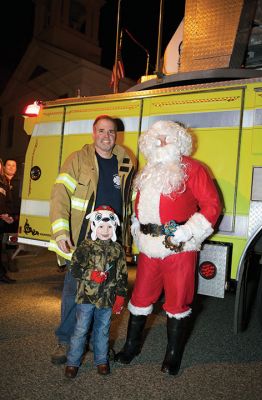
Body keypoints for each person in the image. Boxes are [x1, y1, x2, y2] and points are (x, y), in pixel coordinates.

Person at [115, 120, 222, 375]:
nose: (161, 142)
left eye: (167, 138)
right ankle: (131, 346)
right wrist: (136, 226)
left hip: (179, 247)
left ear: (179, 140)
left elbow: (212, 206)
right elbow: (140, 205)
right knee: (140, 298)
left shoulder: (193, 169)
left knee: (177, 302)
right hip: (149, 248)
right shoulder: (149, 170)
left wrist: (189, 231)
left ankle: (173, 355)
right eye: (157, 138)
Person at [49, 114, 135, 364]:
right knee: (72, 292)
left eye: (111, 132)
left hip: (111, 244)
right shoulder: (78, 159)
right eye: (102, 131)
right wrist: (61, 232)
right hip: (83, 242)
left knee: (105, 295)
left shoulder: (126, 161)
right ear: (93, 132)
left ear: (116, 135)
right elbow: (60, 194)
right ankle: (65, 342)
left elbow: (130, 200)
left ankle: (98, 343)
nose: (106, 136)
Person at [64, 205, 127, 378]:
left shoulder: (118, 249)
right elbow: (75, 269)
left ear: (114, 227)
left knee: (103, 330)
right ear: (94, 226)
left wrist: (121, 296)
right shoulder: (85, 246)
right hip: (86, 297)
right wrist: (91, 274)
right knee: (81, 329)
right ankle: (72, 362)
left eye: (109, 227)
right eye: (101, 227)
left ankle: (101, 360)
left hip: (107, 299)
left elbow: (122, 274)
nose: (105, 231)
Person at [0, 159, 16, 283]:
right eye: (8, 165)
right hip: (3, 217)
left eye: (13, 165)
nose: (11, 167)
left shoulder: (5, 183)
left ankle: (7, 266)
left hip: (9, 218)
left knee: (10, 241)